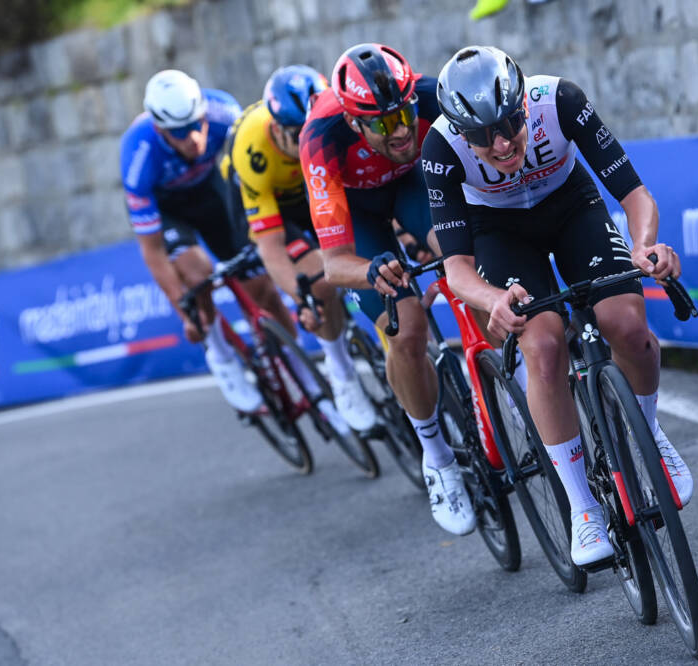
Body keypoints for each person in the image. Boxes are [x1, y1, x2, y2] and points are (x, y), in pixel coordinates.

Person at [422, 46, 694, 566]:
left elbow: (635, 196)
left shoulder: (560, 100)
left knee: (626, 325)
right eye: (482, 136)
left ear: (524, 104)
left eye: (510, 123)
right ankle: (583, 506)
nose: (502, 144)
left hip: (572, 207)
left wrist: (643, 246)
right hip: (499, 232)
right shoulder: (440, 147)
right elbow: (456, 269)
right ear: (461, 132)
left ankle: (650, 434)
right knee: (543, 347)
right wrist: (493, 299)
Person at [299, 43, 475, 535]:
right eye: (382, 123)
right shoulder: (321, 138)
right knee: (408, 330)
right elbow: (335, 265)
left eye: (403, 113)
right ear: (353, 123)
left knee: (467, 261)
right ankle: (437, 457)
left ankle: (508, 385)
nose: (399, 130)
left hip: (414, 184)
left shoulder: (431, 95)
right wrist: (371, 270)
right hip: (359, 216)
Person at [119, 69, 330, 425]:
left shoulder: (223, 111)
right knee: (198, 274)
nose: (194, 137)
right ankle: (221, 358)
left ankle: (302, 369)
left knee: (262, 287)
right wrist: (185, 312)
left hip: (211, 192)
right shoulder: (138, 155)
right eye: (180, 132)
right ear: (160, 129)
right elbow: (153, 251)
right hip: (169, 211)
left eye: (197, 124)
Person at [222, 65, 376, 431]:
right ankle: (340, 370)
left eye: (313, 128)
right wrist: (302, 298)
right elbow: (271, 248)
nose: (309, 139)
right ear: (277, 130)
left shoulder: (329, 122)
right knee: (319, 282)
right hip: (275, 202)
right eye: (298, 134)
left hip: (314, 183)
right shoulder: (253, 151)